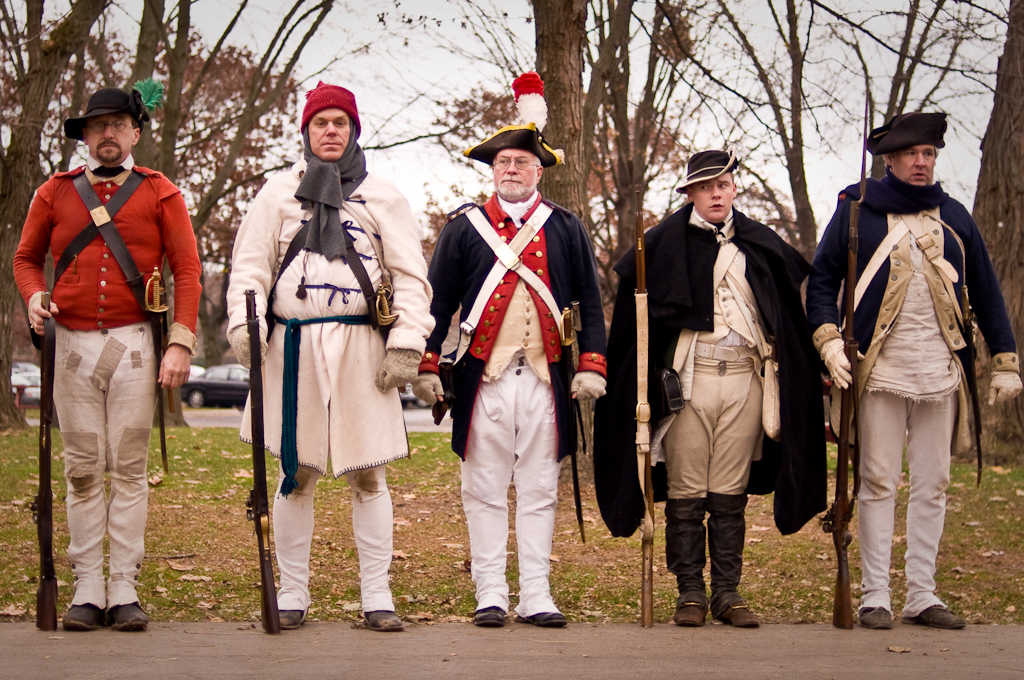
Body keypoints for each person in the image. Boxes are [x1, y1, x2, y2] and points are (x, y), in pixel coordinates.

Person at [225, 82, 433, 632]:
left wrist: (408, 342)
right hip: (292, 349)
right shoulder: (275, 194)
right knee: (298, 474)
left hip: (362, 348)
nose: (331, 131)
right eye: (322, 123)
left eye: (341, 122)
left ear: (354, 129)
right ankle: (292, 593)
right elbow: (249, 269)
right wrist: (245, 327)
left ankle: (377, 596)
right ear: (307, 131)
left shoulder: (384, 196)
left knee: (369, 478)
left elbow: (412, 279)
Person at [807, 112, 1021, 630]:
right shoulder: (857, 213)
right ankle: (875, 596)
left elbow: (987, 292)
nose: (922, 163)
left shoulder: (955, 216)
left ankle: (922, 594)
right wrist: (829, 340)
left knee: (934, 483)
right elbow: (821, 282)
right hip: (877, 369)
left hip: (941, 367)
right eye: (912, 154)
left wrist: (1005, 359)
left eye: (928, 154)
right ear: (890, 160)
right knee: (878, 481)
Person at [594, 149, 826, 628]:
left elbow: (786, 318)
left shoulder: (761, 246)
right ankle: (690, 594)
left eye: (721, 183)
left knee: (728, 492)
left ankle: (727, 592)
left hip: (747, 380)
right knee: (685, 490)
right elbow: (636, 333)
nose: (715, 193)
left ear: (734, 186)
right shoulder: (658, 247)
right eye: (704, 187)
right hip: (689, 382)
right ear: (692, 194)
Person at [412, 72, 606, 628]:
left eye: (522, 162)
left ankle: (537, 593)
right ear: (492, 170)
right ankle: (491, 591)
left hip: (546, 381)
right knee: (484, 489)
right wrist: (427, 361)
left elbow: (588, 302)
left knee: (542, 488)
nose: (512, 170)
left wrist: (591, 364)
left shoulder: (566, 227)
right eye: (503, 163)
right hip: (483, 381)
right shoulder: (464, 229)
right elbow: (436, 302)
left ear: (538, 169)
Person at [14, 86, 202, 632]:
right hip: (70, 345)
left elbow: (186, 270)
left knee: (129, 469)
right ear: (85, 136)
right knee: (80, 471)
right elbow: (27, 259)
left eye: (119, 124)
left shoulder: (161, 192)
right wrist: (33, 297)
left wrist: (181, 340)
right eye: (98, 126)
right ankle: (86, 587)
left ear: (135, 132)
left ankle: (123, 585)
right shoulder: (55, 192)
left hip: (135, 347)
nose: (108, 134)